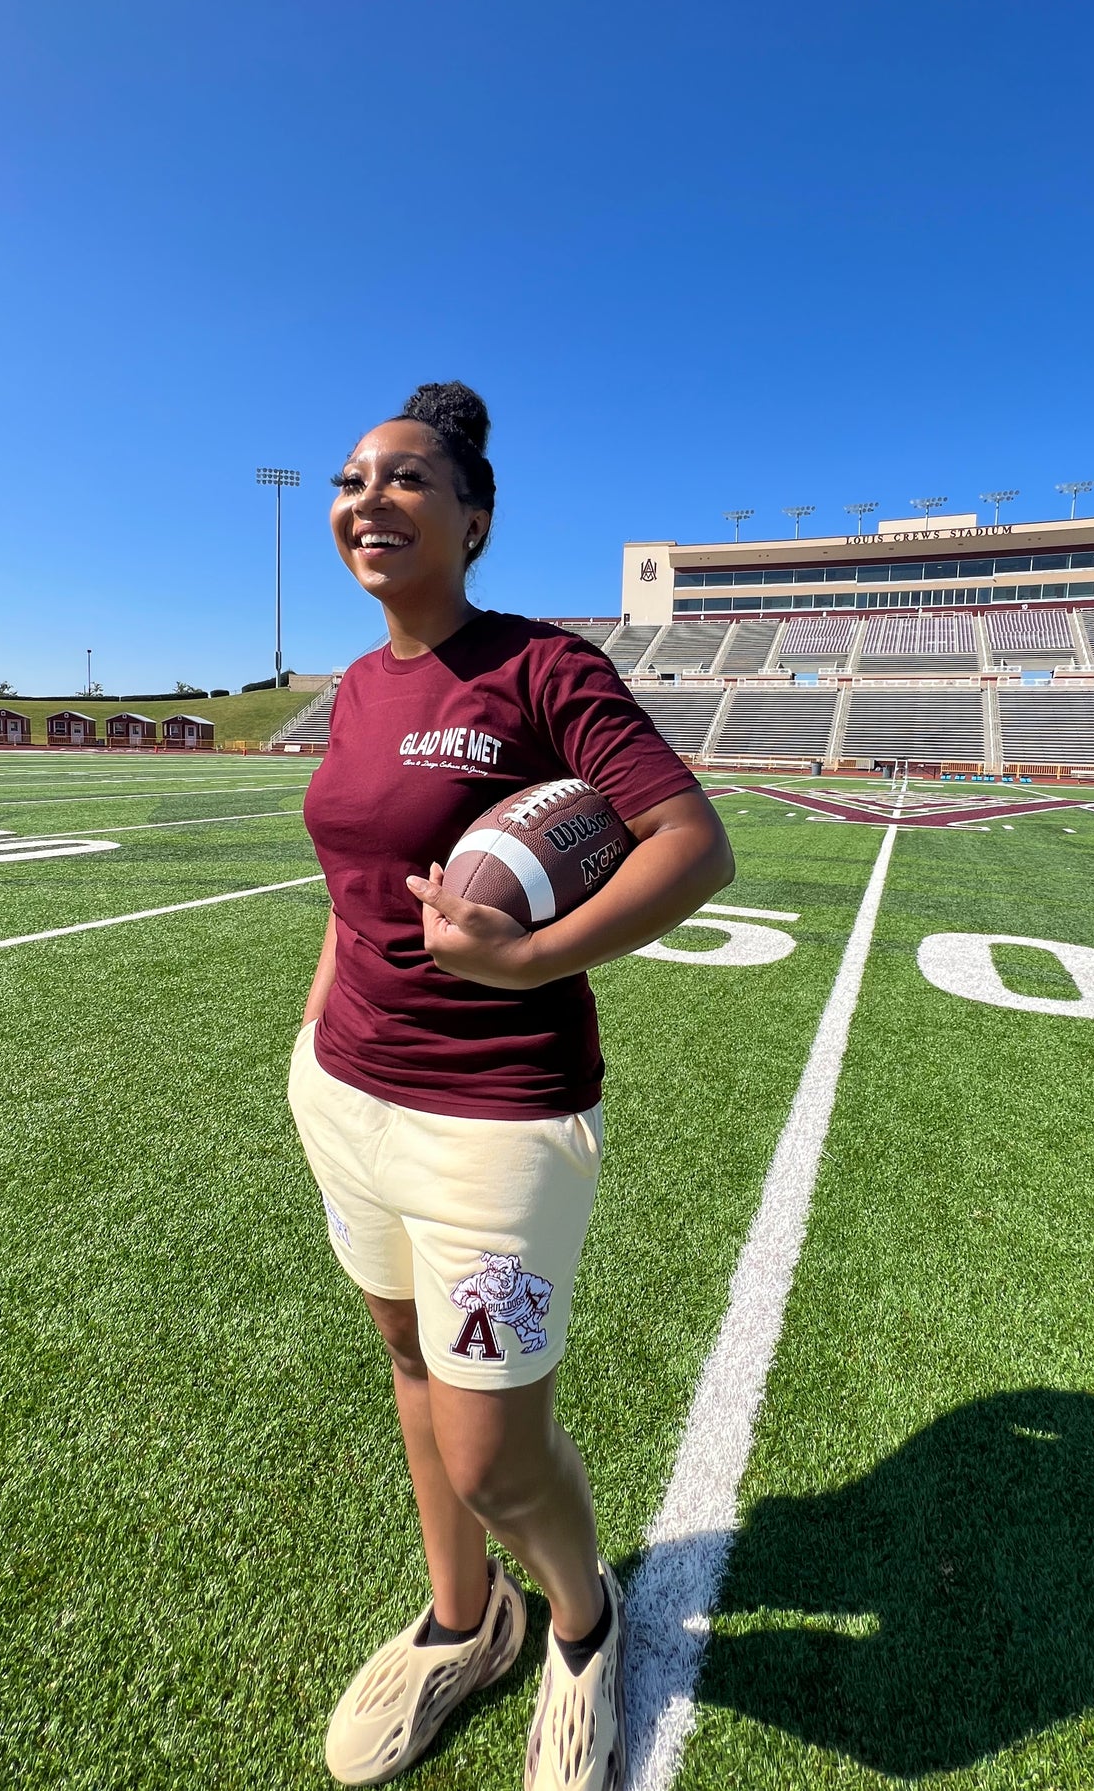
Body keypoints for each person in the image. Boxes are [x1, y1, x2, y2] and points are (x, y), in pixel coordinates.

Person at [288, 382, 734, 1788]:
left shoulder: (542, 667)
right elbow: (354, 889)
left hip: (495, 1120)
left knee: (495, 1457)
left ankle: (584, 1625)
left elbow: (690, 844)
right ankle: (457, 1624)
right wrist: (314, 1035)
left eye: (408, 480)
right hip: (345, 1095)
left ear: (472, 518)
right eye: (354, 480)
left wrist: (529, 958)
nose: (370, 501)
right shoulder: (357, 686)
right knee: (410, 1367)